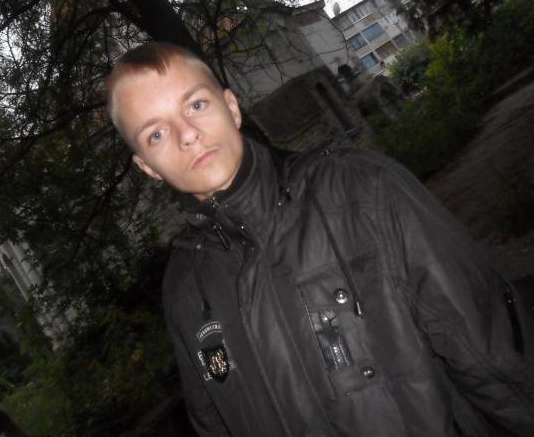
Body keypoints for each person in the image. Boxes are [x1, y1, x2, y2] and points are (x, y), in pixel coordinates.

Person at [105, 42, 534, 437]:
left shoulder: (362, 188)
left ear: (232, 108)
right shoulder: (182, 287)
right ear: (148, 167)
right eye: (156, 134)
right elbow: (213, 424)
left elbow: (493, 357)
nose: (187, 134)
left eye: (196, 105)